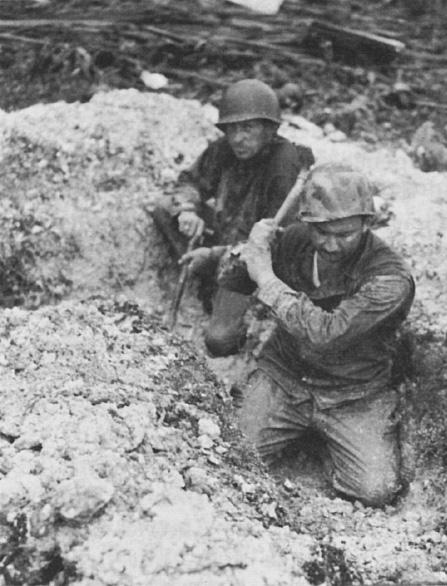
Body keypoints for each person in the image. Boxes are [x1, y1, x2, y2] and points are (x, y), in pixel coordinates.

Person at [224, 163, 415, 507]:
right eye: (321, 232)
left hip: (353, 393)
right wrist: (248, 251)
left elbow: (325, 333)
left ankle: (323, 444)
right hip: (286, 375)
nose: (330, 245)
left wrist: (266, 278)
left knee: (376, 490)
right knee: (233, 456)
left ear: (367, 223)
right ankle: (302, 429)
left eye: (344, 234)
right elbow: (234, 279)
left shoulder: (389, 278)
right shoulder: (296, 240)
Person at [150, 78, 314, 356]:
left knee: (219, 340)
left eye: (248, 128)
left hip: (253, 262)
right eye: (232, 129)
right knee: (166, 207)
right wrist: (188, 210)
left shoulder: (285, 164)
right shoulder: (225, 150)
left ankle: (248, 308)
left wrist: (214, 254)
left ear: (269, 128)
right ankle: (208, 277)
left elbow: (276, 242)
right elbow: (189, 181)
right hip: (224, 239)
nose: (238, 138)